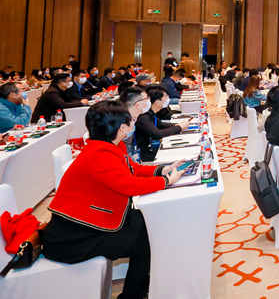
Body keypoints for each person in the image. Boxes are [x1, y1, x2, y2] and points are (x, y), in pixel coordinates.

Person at [40, 100, 186, 299]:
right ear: (121, 128)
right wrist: (165, 181)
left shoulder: (106, 147)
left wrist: (161, 170)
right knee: (143, 239)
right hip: (73, 237)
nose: (132, 123)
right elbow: (129, 185)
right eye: (129, 121)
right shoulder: (99, 155)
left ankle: (140, 286)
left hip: (86, 224)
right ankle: (134, 294)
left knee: (143, 221)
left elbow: (133, 169)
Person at [135, 86, 190, 162]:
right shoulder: (144, 117)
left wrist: (179, 125)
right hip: (147, 155)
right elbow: (157, 134)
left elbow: (160, 124)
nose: (168, 99)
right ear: (157, 101)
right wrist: (179, 127)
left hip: (153, 148)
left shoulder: (151, 113)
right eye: (166, 96)